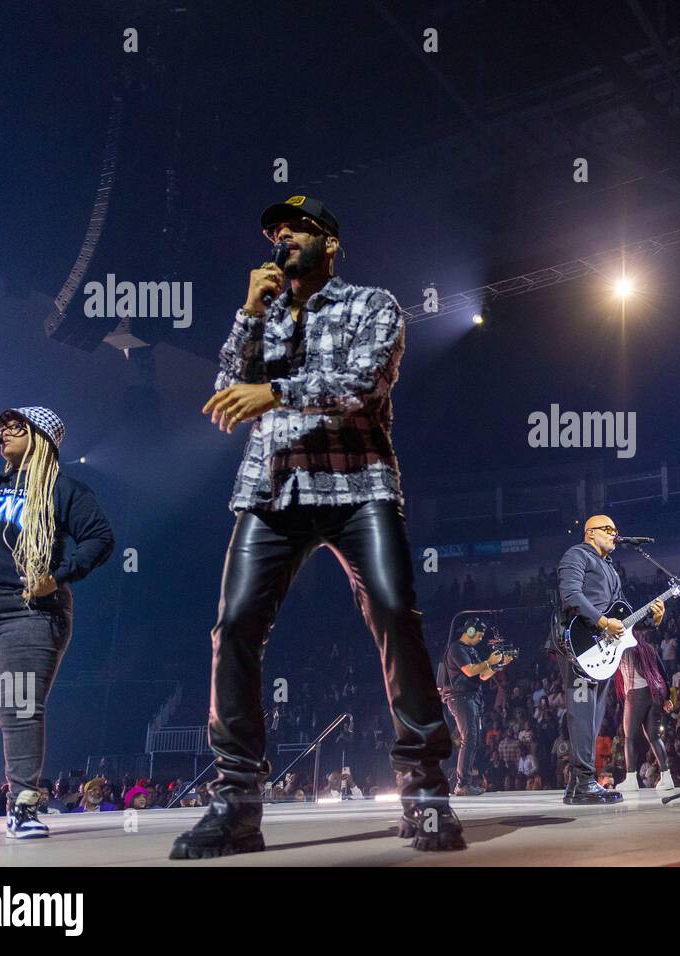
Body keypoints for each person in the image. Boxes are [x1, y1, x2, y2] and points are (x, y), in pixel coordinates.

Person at [171, 197, 458, 857]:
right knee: (236, 626)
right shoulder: (263, 315)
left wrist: (275, 391)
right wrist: (248, 313)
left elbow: (364, 380)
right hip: (273, 490)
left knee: (394, 610)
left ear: (329, 242)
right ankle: (237, 804)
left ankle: (425, 791)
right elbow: (225, 387)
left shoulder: (372, 304)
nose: (282, 237)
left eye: (296, 228)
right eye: (275, 230)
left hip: (357, 485)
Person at [0, 407, 114, 840]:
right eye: (3, 426)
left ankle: (25, 806)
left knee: (16, 709)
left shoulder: (63, 490)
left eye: (18, 427)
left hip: (27, 611)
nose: (5, 432)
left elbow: (100, 539)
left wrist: (59, 576)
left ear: (43, 439)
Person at [556, 514, 664, 804]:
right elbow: (570, 594)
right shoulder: (576, 555)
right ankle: (583, 783)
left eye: (617, 529)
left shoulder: (609, 567)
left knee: (593, 715)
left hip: (601, 650)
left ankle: (578, 784)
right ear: (590, 533)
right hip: (578, 645)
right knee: (582, 713)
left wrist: (650, 620)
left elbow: (623, 615)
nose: (615, 534)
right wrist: (602, 622)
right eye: (609, 529)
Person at [437, 619, 507, 795]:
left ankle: (464, 782)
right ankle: (462, 784)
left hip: (472, 697)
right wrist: (489, 661)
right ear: (469, 631)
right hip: (460, 698)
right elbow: (470, 670)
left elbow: (482, 675)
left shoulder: (470, 650)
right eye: (479, 634)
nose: (481, 638)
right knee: (469, 738)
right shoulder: (456, 649)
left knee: (473, 740)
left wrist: (499, 664)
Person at [614, 626, 676, 791]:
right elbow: (663, 673)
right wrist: (667, 697)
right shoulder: (648, 648)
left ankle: (631, 778)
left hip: (636, 694)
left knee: (629, 737)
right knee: (654, 737)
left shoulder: (623, 649)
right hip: (655, 693)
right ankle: (667, 777)